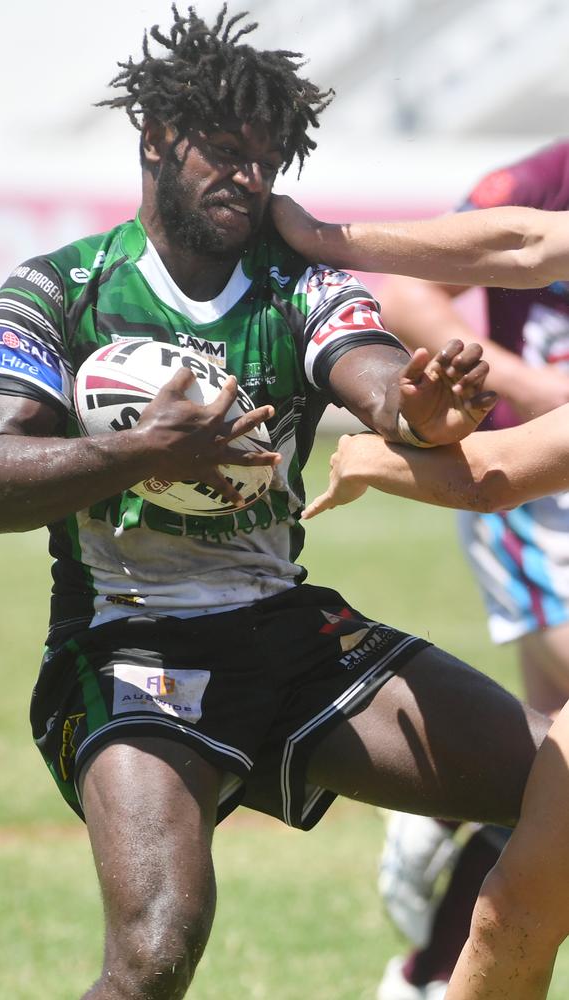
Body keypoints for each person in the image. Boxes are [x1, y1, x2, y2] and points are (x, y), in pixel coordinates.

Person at [0, 8, 548, 999]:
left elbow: (376, 380)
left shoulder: (294, 286)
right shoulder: (61, 290)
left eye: (265, 158)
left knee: (554, 792)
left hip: (287, 633)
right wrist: (149, 449)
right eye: (223, 151)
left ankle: (434, 972)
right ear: (154, 138)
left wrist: (422, 407)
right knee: (155, 951)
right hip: (128, 646)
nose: (247, 176)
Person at [276, 144, 569, 999]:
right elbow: (521, 242)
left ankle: (446, 802)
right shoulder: (540, 175)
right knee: (518, 897)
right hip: (535, 505)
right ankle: (427, 970)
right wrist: (327, 238)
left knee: (540, 776)